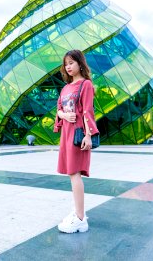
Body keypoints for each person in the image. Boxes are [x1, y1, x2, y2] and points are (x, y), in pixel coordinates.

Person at [54, 50, 99, 233]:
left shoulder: (86, 84)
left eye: (71, 63)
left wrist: (88, 136)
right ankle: (79, 213)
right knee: (71, 174)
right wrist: (64, 114)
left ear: (80, 63)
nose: (68, 67)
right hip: (66, 133)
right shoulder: (65, 88)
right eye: (66, 64)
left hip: (78, 135)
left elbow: (88, 111)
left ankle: (80, 219)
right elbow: (58, 109)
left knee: (75, 173)